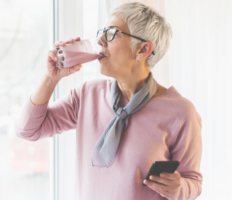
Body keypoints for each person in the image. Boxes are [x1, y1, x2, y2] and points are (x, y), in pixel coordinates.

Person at [16, 2, 202, 200]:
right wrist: (51, 78)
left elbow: (193, 181)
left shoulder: (181, 113)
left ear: (143, 49)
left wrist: (179, 187)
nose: (100, 40)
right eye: (102, 32)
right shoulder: (87, 95)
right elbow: (28, 130)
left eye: (111, 33)